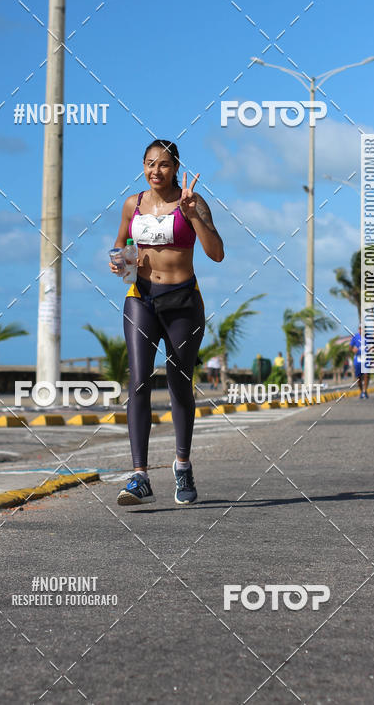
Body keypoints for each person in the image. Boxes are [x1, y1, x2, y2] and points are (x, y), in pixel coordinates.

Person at [109, 139, 224, 506]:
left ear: (176, 168)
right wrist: (119, 262)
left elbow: (217, 253)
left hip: (183, 303)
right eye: (148, 163)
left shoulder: (192, 202)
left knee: (179, 385)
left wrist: (191, 214)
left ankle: (182, 465)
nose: (155, 171)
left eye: (162, 165)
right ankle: (140, 476)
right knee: (139, 381)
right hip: (140, 299)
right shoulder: (134, 204)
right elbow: (121, 246)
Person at [350, 326, 370, 399]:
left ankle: (365, 391)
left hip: (367, 358)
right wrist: (353, 349)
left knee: (366, 374)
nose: (361, 330)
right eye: (360, 328)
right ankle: (362, 391)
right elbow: (350, 347)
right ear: (358, 329)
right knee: (358, 377)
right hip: (358, 359)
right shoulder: (355, 337)